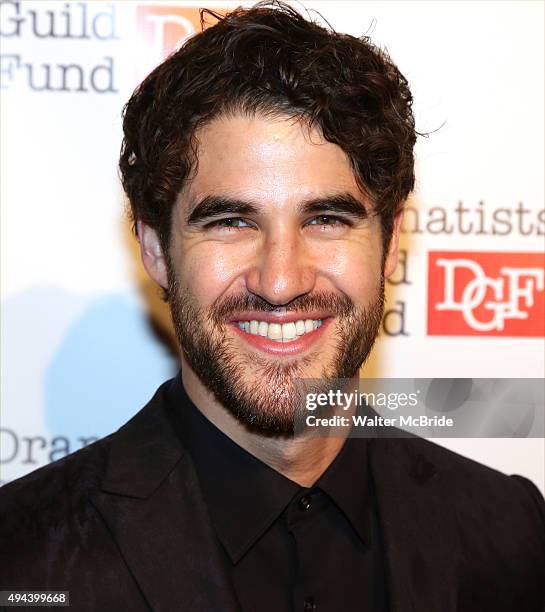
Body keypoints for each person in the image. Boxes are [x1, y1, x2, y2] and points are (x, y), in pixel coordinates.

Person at [1, 2, 544, 611]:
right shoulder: (22, 559)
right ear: (155, 249)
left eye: (327, 218)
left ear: (390, 244)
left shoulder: (512, 533)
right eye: (231, 221)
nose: (281, 280)